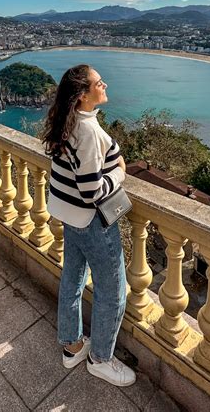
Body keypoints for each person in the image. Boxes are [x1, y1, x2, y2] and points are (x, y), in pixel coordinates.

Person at [42, 64, 136, 387]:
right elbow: (91, 190)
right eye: (99, 83)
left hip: (70, 218)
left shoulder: (66, 124)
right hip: (92, 222)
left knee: (73, 278)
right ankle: (100, 359)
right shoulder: (89, 132)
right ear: (83, 96)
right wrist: (120, 172)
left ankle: (72, 346)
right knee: (113, 290)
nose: (105, 84)